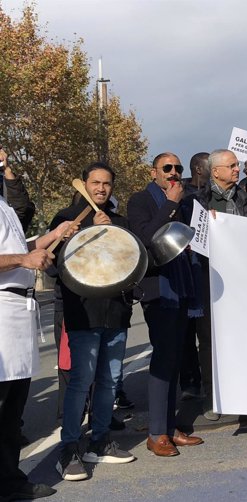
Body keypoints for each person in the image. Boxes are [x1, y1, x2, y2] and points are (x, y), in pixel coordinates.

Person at [50, 162, 136, 481]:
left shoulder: (120, 221)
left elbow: (131, 262)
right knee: (81, 381)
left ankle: (99, 441)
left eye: (107, 184)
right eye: (95, 182)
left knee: (111, 380)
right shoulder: (65, 219)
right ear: (84, 185)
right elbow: (51, 267)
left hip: (115, 312)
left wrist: (110, 232)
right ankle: (69, 448)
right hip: (82, 312)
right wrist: (80, 232)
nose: (101, 188)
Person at [0, 147, 76, 500]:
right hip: (3, 309)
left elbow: (20, 249)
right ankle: (8, 483)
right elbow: (17, 257)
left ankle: (10, 480)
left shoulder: (3, 206)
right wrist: (25, 257)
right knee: (3, 407)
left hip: (18, 312)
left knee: (13, 409)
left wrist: (49, 237)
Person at [127, 152, 203, 456]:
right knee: (162, 361)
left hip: (183, 286)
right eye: (167, 168)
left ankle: (170, 427)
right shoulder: (139, 200)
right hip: (159, 290)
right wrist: (171, 204)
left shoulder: (186, 201)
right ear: (154, 172)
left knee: (174, 360)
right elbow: (144, 237)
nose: (174, 173)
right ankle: (157, 432)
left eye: (178, 168)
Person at [182, 149, 247, 421]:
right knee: (209, 339)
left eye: (237, 165)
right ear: (215, 172)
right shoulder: (195, 202)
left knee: (244, 336)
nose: (237, 169)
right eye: (231, 166)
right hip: (208, 279)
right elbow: (188, 238)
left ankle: (245, 393)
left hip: (242, 280)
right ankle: (212, 395)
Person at [179, 152, 210, 402]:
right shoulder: (184, 197)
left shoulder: (210, 195)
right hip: (188, 271)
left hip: (208, 273)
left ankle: (211, 382)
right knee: (187, 333)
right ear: (199, 169)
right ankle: (190, 382)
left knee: (208, 334)